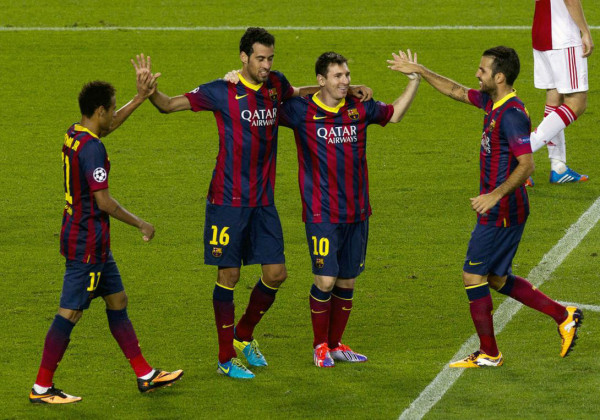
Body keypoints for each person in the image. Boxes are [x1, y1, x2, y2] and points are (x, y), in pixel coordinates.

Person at [135, 27, 372, 379]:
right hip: (227, 201)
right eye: (260, 58)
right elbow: (170, 106)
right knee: (229, 275)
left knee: (276, 274)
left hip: (263, 202)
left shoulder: (276, 85)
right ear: (243, 58)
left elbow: (304, 94)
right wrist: (149, 93)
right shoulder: (221, 90)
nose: (266, 64)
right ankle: (225, 358)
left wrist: (348, 89)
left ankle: (243, 335)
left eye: (270, 58)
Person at [388, 46, 583, 367]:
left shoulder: (512, 115)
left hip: (502, 210)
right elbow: (456, 91)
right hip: (502, 208)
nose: (477, 74)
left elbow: (527, 165)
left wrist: (494, 195)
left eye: (483, 70)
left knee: (472, 276)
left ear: (500, 76)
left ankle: (490, 353)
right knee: (494, 277)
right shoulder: (494, 101)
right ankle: (564, 315)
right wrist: (420, 71)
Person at [30, 77, 183, 404]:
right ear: (99, 111)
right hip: (87, 243)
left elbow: (107, 129)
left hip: (88, 239)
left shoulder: (75, 133)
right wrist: (141, 223)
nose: (114, 115)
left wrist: (140, 99)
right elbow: (104, 202)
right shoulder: (94, 148)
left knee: (118, 300)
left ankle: (145, 375)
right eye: (112, 110)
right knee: (69, 313)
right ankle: (42, 387)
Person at [279, 51, 420, 367]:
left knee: (347, 281)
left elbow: (394, 114)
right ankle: (319, 347)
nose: (345, 81)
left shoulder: (359, 108)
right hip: (321, 212)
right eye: (338, 76)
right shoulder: (300, 111)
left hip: (357, 212)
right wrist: (233, 78)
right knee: (325, 281)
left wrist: (414, 80)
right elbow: (265, 100)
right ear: (321, 80)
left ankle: (335, 343)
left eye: (346, 75)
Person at [528, 0, 593, 184]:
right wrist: (585, 31)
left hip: (541, 33)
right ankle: (517, 155)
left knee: (554, 99)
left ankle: (558, 167)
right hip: (562, 36)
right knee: (577, 103)